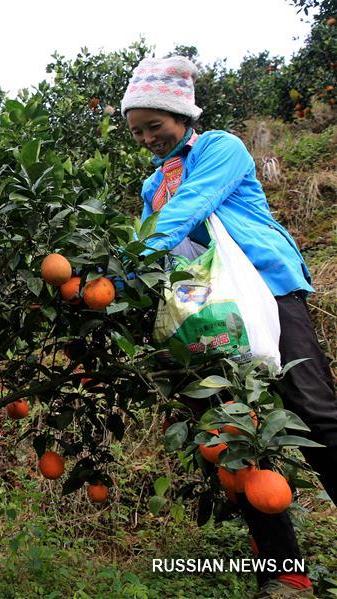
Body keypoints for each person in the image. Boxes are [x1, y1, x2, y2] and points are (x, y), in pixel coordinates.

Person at [121, 56, 337, 598]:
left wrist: (123, 266)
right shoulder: (153, 184)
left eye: (156, 125)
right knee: (234, 436)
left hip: (266, 288)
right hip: (206, 309)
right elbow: (171, 248)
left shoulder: (221, 148)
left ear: (182, 115)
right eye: (137, 130)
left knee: (313, 409)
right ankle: (285, 574)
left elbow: (189, 210)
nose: (148, 138)